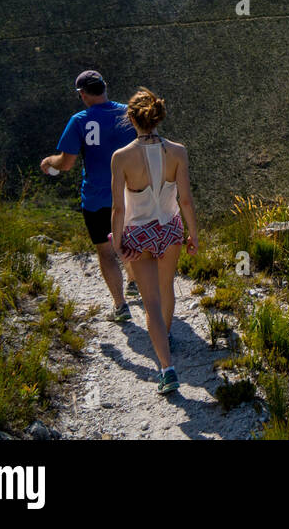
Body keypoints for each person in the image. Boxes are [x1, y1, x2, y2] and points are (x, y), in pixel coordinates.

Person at [110, 88, 199, 395]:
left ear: (131, 118)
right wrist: (194, 235)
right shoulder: (178, 151)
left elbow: (118, 208)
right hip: (171, 229)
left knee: (150, 303)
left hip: (139, 233)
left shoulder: (121, 157)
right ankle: (167, 333)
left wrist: (118, 242)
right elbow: (185, 200)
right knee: (167, 288)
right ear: (157, 116)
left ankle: (166, 368)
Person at [41, 70, 139, 322]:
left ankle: (120, 306)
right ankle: (134, 281)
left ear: (82, 94)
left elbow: (66, 163)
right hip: (131, 194)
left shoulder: (80, 120)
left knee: (106, 251)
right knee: (129, 240)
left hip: (97, 197)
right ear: (105, 87)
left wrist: (48, 162)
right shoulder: (129, 113)